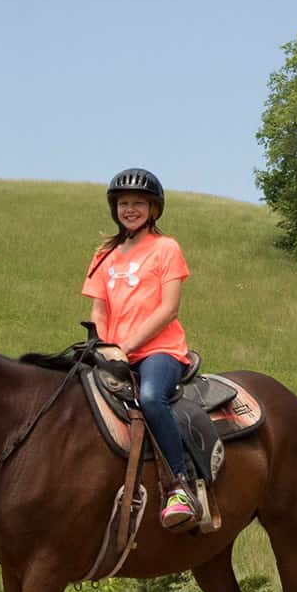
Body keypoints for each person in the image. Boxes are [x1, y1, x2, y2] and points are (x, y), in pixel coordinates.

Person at [82, 167, 200, 530]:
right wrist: (103, 346)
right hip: (111, 351)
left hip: (159, 350)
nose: (130, 209)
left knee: (151, 398)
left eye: (138, 203)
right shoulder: (104, 254)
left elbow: (169, 309)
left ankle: (179, 487)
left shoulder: (167, 248)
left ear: (154, 209)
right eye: (123, 203)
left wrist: (126, 346)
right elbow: (98, 309)